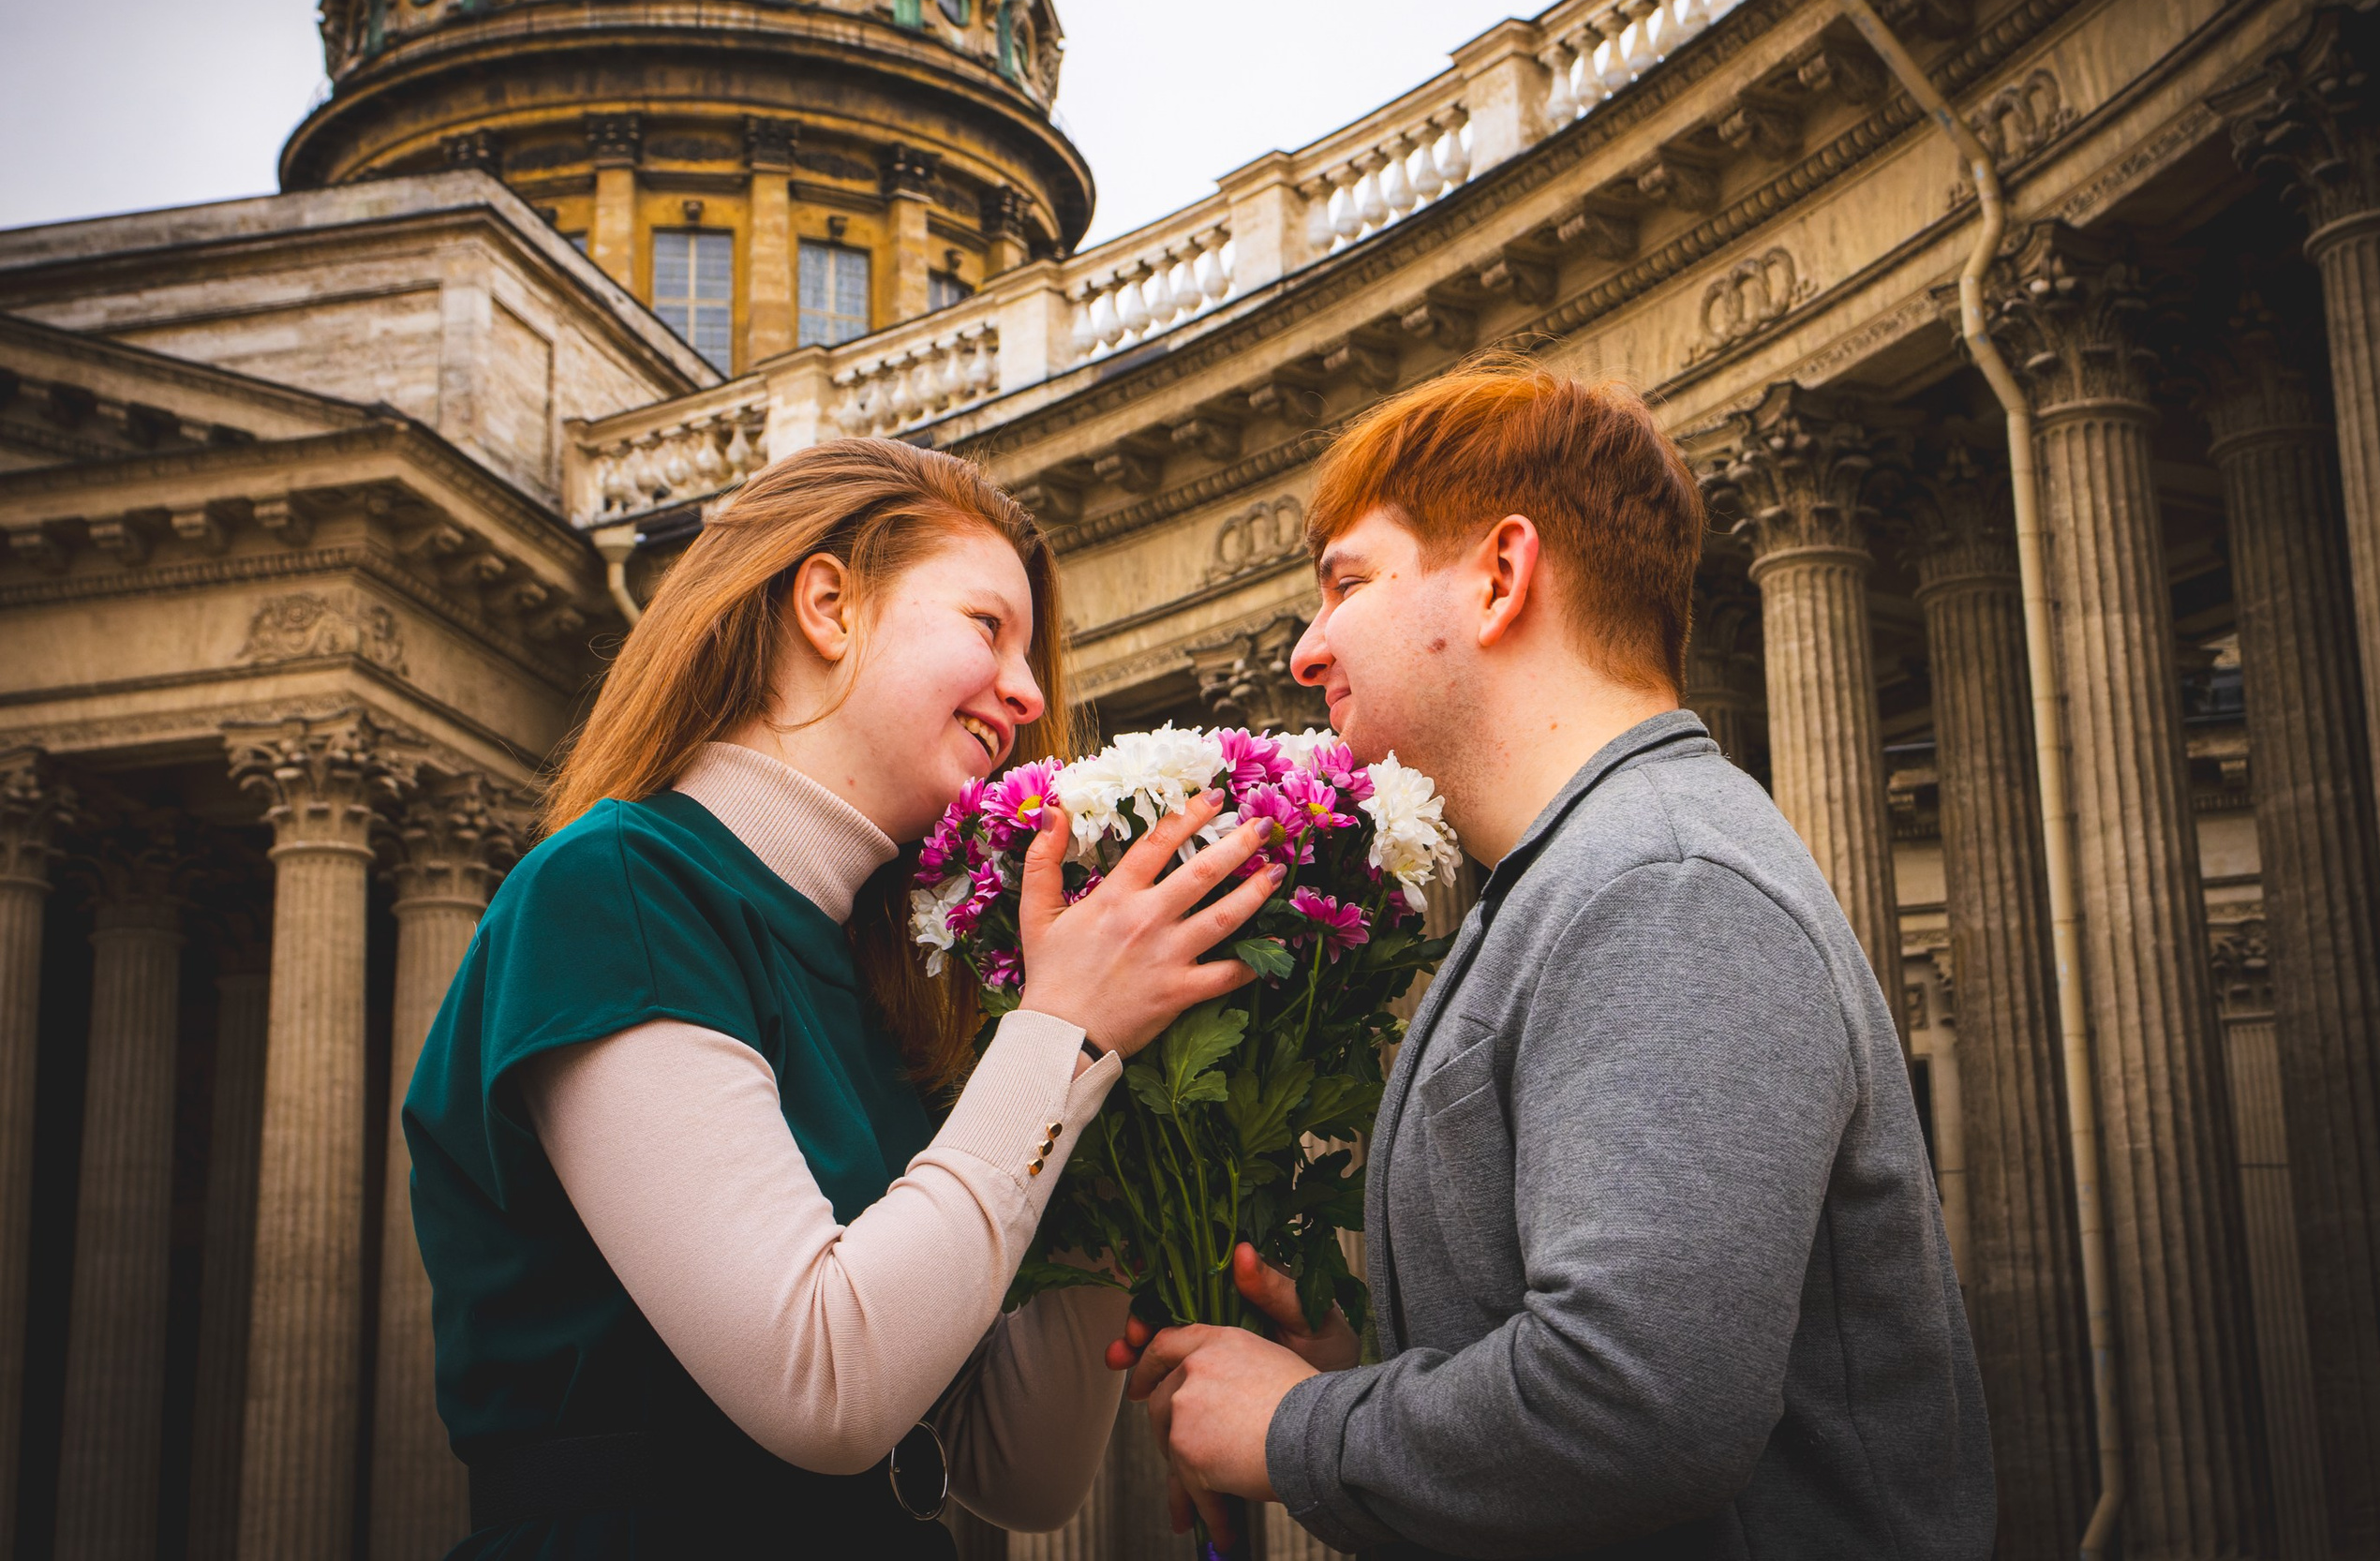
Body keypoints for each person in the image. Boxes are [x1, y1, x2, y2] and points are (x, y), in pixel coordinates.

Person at [1118, 357, 1995, 1558]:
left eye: (1348, 583)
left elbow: (1641, 1406)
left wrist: (1300, 1430)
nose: (1307, 650)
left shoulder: (1660, 885)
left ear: (1500, 576)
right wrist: (1356, 1376)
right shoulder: (1591, 872)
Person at [403, 438, 1285, 1558]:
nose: (1029, 693)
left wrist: (1120, 1096)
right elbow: (824, 1385)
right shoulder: (618, 883)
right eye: (987, 625)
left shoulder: (883, 982)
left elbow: (1022, 1466)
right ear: (829, 606)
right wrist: (1063, 1032)